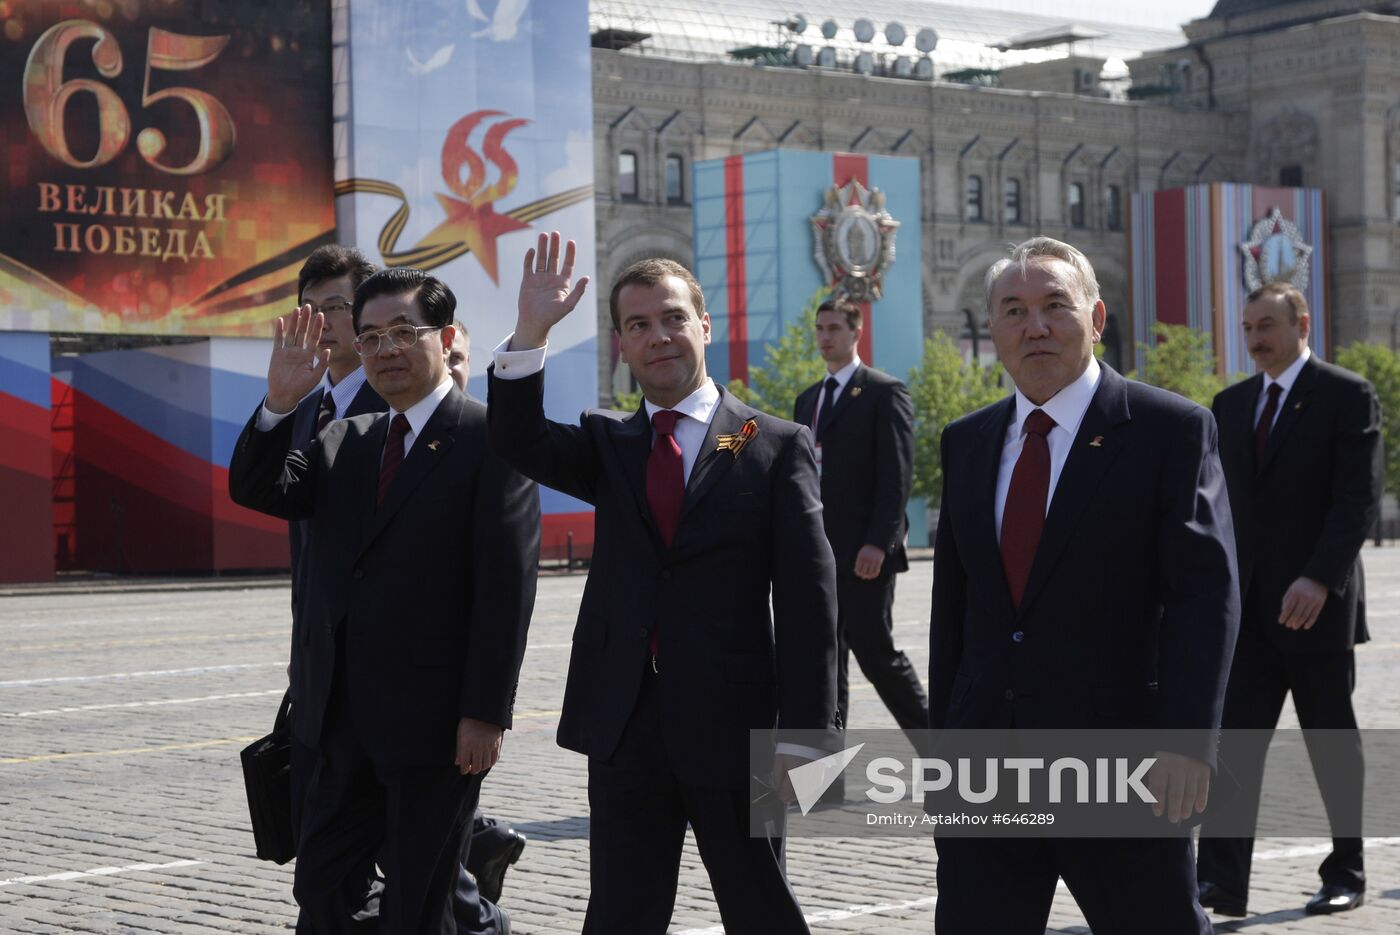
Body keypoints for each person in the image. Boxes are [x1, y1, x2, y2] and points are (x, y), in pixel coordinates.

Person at [487, 232, 839, 934]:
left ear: (705, 326)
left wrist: (811, 741)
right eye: (639, 325)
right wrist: (531, 330)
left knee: (761, 911)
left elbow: (810, 605)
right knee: (620, 914)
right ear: (621, 343)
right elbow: (517, 438)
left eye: (674, 317)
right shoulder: (608, 444)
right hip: (624, 729)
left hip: (738, 734)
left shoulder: (770, 445)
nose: (659, 336)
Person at [928, 236, 1239, 935]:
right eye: (1013, 309)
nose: (1034, 326)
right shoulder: (967, 441)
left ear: (1097, 318)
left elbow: (1204, 598)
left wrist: (1189, 741)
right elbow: (956, 607)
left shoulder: (1170, 430)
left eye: (1054, 306)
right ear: (993, 327)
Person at [229, 268, 539, 934]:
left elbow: (505, 590)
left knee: (419, 907)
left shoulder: (490, 440)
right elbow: (261, 490)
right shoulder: (347, 440)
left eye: (404, 332)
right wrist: (280, 404)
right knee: (321, 889)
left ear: (446, 336)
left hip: (435, 729)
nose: (385, 349)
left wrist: (485, 713)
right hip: (338, 725)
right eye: (370, 337)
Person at [1196, 283, 1381, 917]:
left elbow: (1356, 500)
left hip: (1317, 609)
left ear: (1302, 322)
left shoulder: (1345, 394)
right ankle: (1219, 882)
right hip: (1247, 615)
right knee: (1231, 747)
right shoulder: (1230, 403)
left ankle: (1346, 871)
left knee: (1331, 743)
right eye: (1247, 326)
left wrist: (1320, 577)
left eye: (1267, 325)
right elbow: (1217, 508)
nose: (1255, 338)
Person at [793, 297, 928, 766]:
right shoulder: (808, 400)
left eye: (834, 327)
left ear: (856, 332)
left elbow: (897, 475)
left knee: (878, 657)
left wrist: (879, 541)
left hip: (866, 556)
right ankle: (825, 772)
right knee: (826, 667)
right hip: (821, 558)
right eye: (820, 327)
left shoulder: (883, 392)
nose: (825, 335)